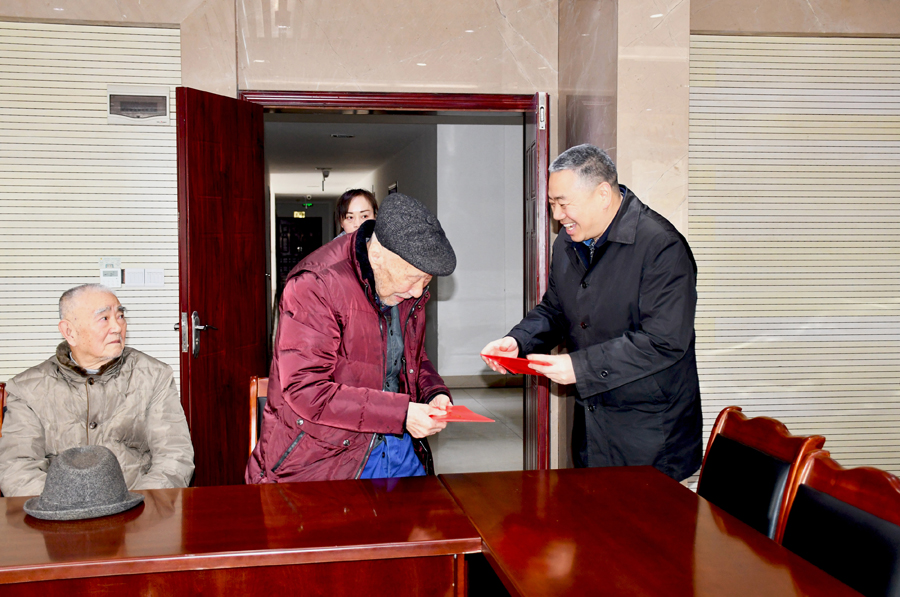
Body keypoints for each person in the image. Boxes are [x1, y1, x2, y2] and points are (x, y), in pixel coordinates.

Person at [481, 144, 703, 481]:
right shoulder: (567, 243)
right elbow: (555, 309)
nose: (558, 216)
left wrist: (579, 367)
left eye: (564, 204)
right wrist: (518, 341)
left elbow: (665, 340)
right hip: (593, 426)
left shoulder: (661, 246)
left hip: (651, 435)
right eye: (552, 205)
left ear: (602, 194)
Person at [246, 193, 456, 483]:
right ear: (377, 255)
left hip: (395, 442)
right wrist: (401, 414)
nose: (418, 292)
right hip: (325, 454)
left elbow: (412, 357)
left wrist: (434, 392)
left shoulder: (402, 284)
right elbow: (307, 390)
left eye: (427, 281)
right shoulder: (315, 285)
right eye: (412, 278)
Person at [0, 284, 194, 497]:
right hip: (57, 512)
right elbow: (17, 469)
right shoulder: (27, 388)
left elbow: (174, 457)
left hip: (138, 508)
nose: (117, 327)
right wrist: (63, 507)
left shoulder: (153, 375)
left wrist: (137, 505)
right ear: (69, 331)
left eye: (120, 316)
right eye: (104, 318)